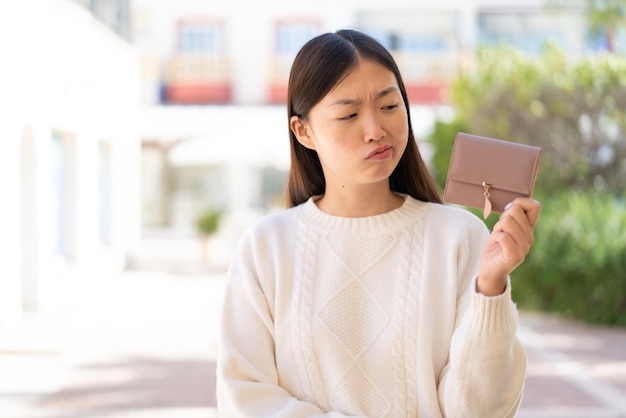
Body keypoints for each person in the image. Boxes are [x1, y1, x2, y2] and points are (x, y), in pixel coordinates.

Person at [216, 28, 540, 417]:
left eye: (389, 106)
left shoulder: (459, 236)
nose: (376, 131)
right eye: (349, 114)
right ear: (303, 131)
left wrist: (491, 287)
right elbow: (244, 397)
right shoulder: (266, 246)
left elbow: (478, 411)